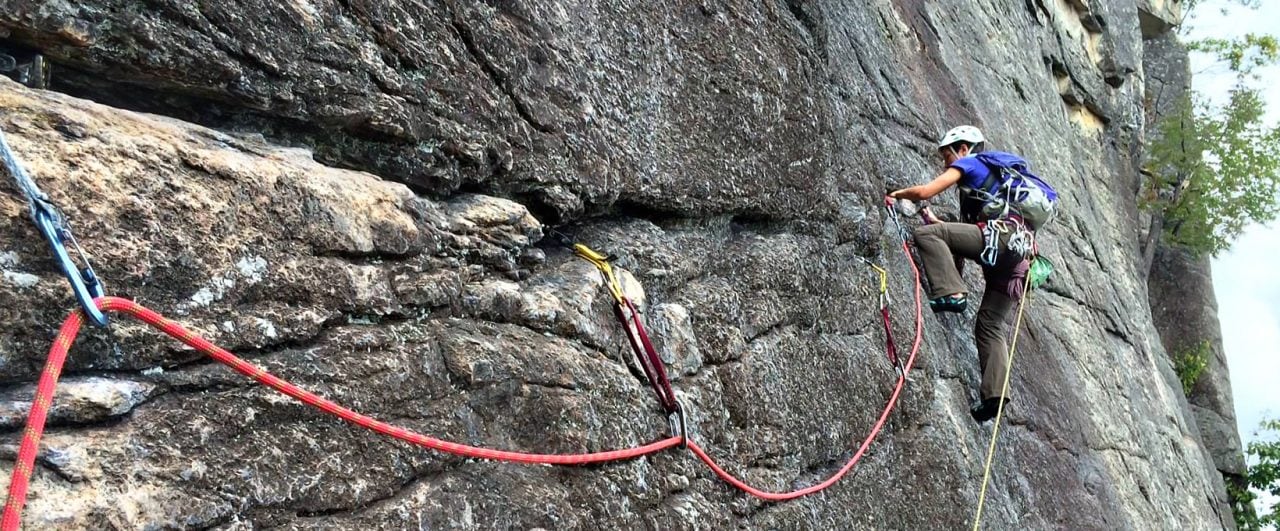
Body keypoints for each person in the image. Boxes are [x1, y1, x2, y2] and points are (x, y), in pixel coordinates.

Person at [888, 125, 1036, 423]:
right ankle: (995, 395)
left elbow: (926, 192)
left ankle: (952, 294)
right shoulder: (987, 191)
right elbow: (960, 246)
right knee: (990, 324)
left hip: (999, 238)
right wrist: (937, 226)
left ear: (964, 148)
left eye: (948, 155)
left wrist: (896, 194)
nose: (947, 163)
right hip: (1019, 257)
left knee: (926, 235)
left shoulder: (970, 163)